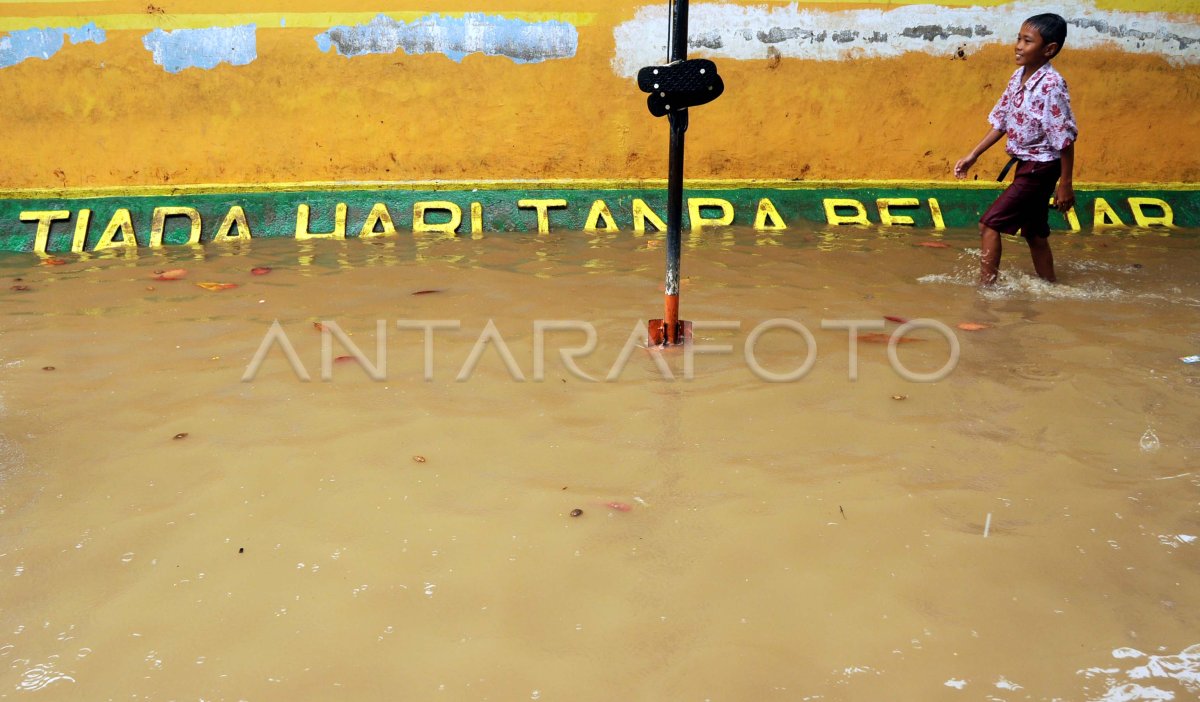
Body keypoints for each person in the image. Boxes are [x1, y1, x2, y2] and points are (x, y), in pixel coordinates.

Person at [954, 13, 1077, 286]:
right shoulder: (1017, 77)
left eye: (1027, 41)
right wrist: (973, 155)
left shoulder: (1052, 85)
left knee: (989, 224)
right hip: (1026, 163)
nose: (1018, 46)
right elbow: (1002, 121)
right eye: (1018, 39)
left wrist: (1065, 184)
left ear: (1049, 50)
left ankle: (986, 291)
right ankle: (1051, 287)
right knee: (1034, 233)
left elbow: (1065, 141)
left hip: (1041, 167)